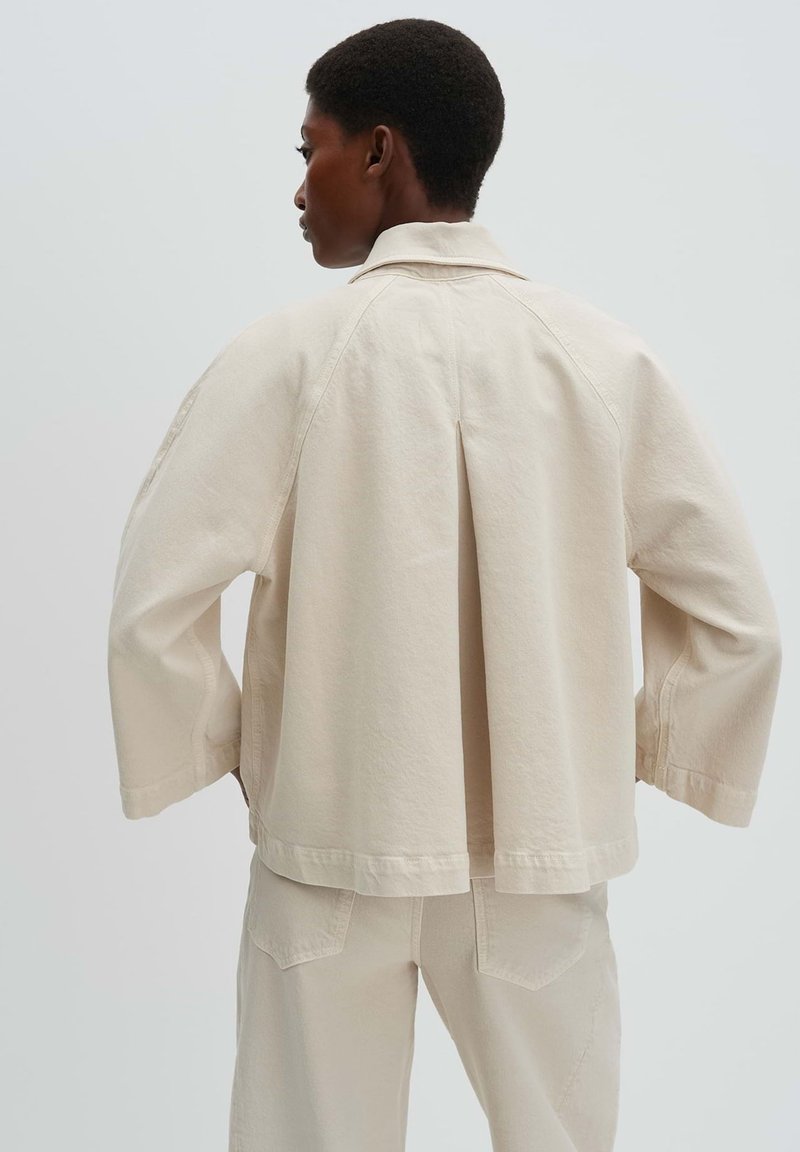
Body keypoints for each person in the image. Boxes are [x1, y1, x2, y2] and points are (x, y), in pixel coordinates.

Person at [106, 18, 782, 1152]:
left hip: (329, 843)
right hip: (537, 858)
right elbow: (738, 619)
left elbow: (151, 606)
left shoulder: (286, 358)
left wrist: (233, 748)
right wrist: (621, 753)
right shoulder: (601, 361)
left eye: (310, 149)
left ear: (379, 150)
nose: (299, 187)